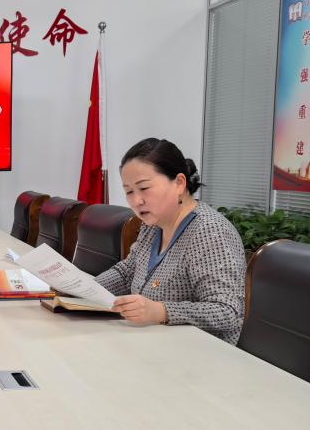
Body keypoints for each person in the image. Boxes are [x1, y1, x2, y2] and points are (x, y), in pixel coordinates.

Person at [96, 138, 246, 344]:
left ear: (179, 183)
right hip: (151, 342)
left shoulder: (210, 232)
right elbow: (127, 272)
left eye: (144, 188)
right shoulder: (152, 224)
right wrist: (83, 289)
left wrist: (161, 311)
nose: (136, 201)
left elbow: (226, 311)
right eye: (129, 191)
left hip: (199, 352)